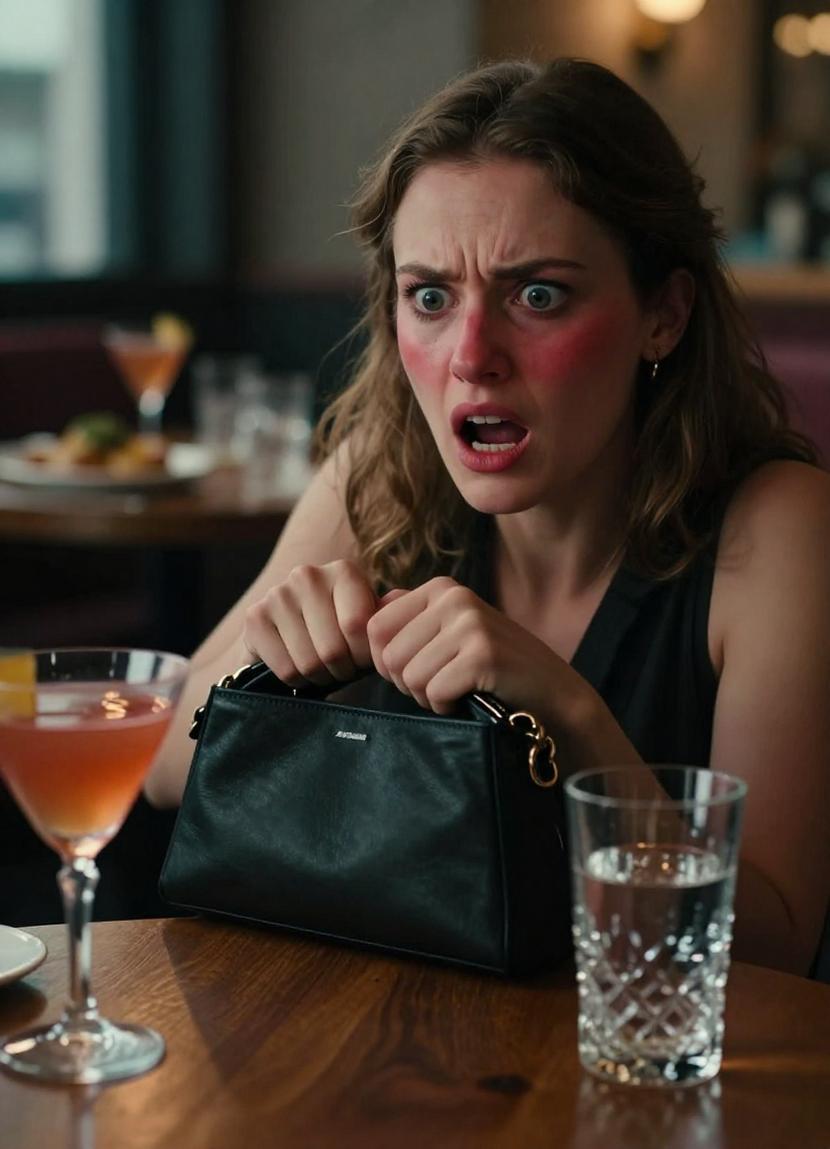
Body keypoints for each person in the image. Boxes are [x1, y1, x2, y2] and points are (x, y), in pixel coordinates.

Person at [145, 58, 830, 977]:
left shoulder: (781, 526)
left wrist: (568, 712)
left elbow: (776, 945)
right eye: (430, 296)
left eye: (537, 294)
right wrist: (265, 662)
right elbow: (157, 763)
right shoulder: (380, 476)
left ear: (663, 315)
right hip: (395, 1043)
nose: (471, 355)